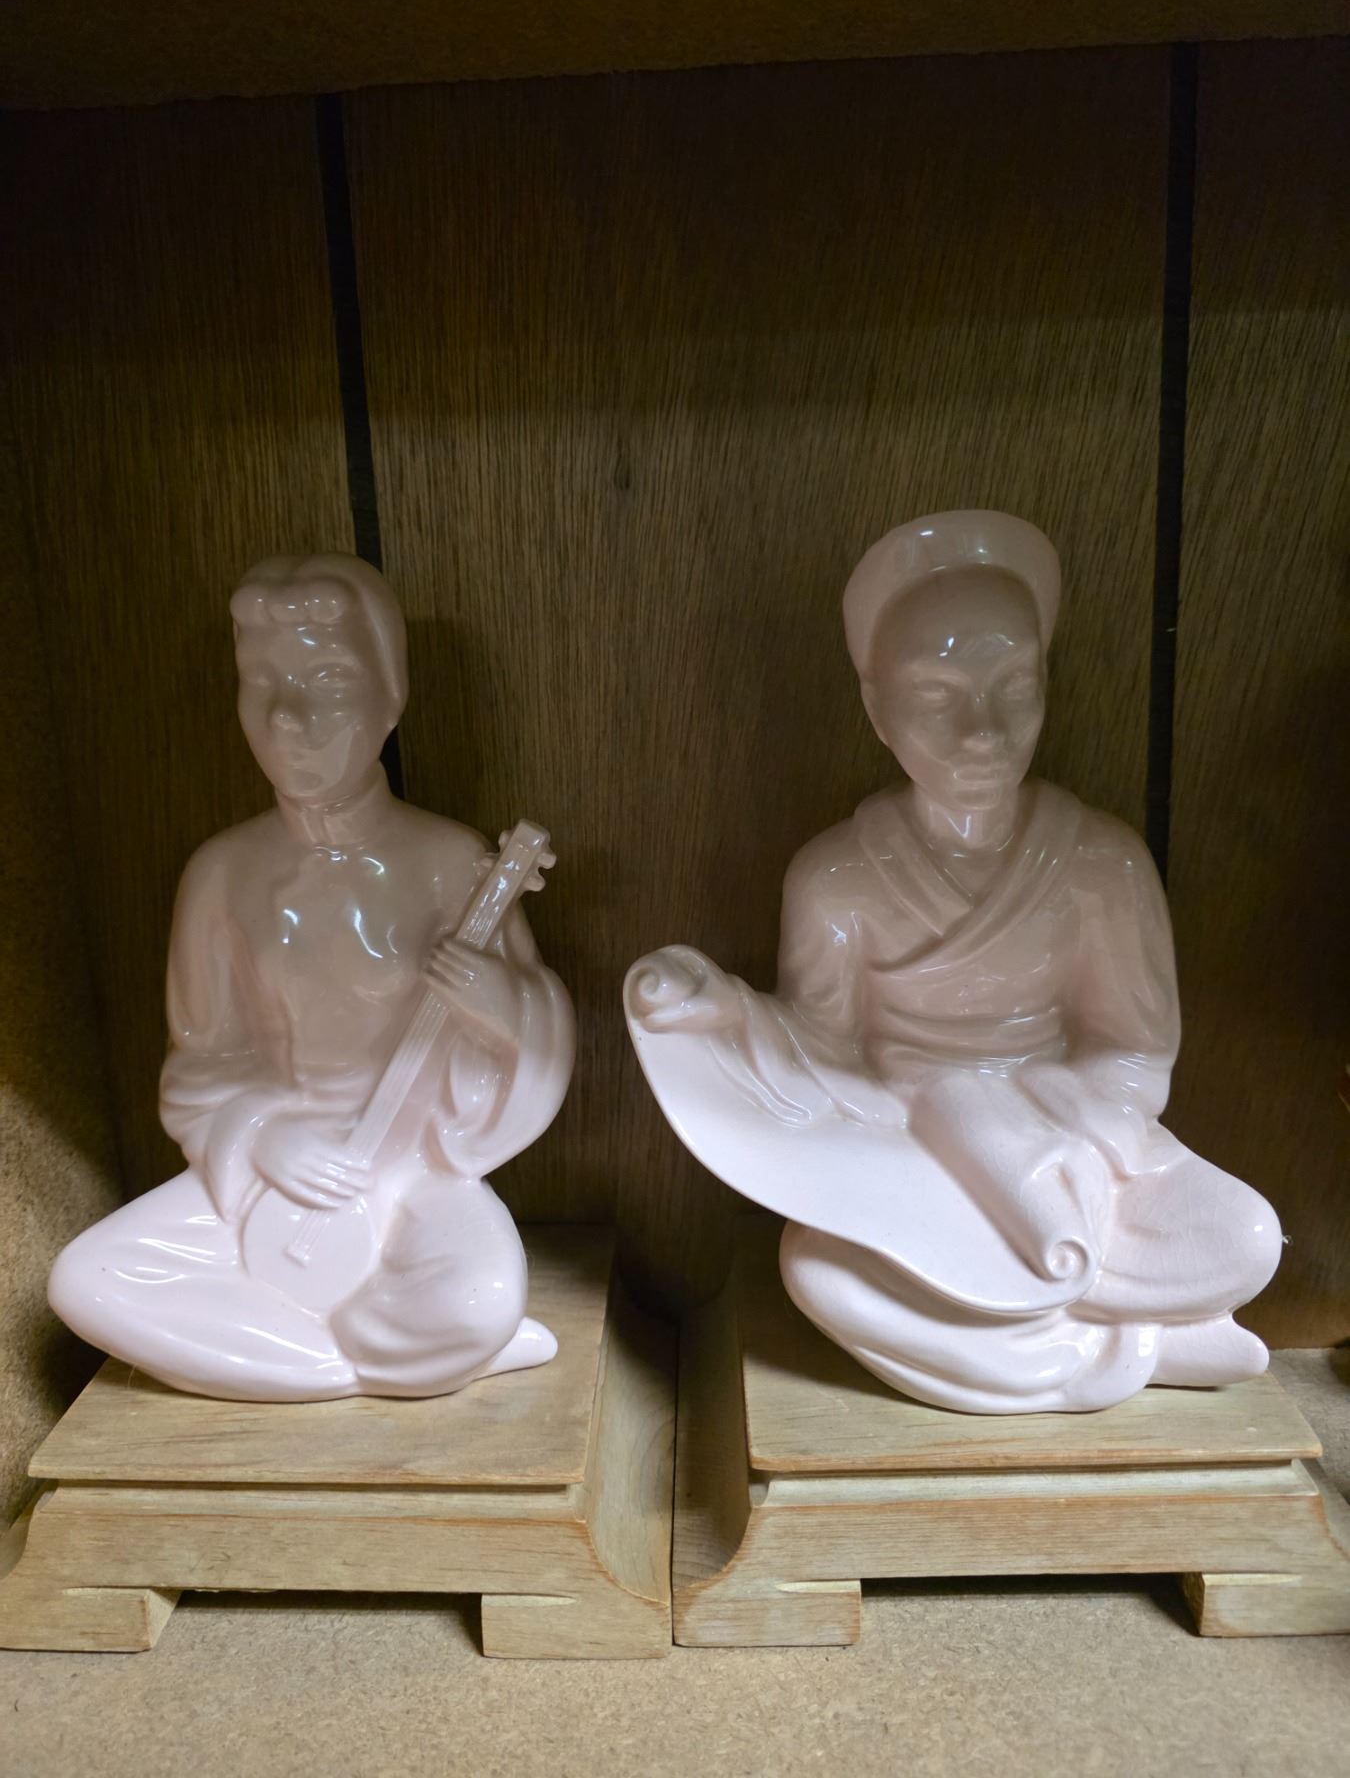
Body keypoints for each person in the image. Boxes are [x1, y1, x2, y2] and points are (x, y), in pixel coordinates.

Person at [626, 512, 1280, 1413]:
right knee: (817, 1271)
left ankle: (1050, 1327)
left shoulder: (1103, 863)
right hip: (909, 1138)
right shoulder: (835, 879)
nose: (983, 732)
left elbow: (1135, 1054)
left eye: (1014, 686)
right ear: (877, 710)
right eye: (938, 697)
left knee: (1246, 1236)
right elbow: (822, 1048)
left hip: (1069, 1148)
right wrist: (725, 1014)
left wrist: (1048, 1136)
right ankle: (1133, 1341)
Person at [50, 554, 574, 1402]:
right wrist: (265, 1136)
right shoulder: (221, 874)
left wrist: (502, 1004)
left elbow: (535, 1032)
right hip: (271, 1177)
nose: (288, 717)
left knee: (477, 1300)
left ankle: (368, 1344)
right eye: (262, 683)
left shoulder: (453, 861)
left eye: (328, 680)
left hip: (412, 1174)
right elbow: (201, 1065)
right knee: (86, 1281)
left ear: (389, 698)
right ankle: (360, 1363)